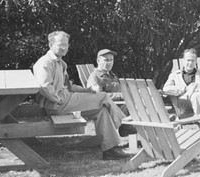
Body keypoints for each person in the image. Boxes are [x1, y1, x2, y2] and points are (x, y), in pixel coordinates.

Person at [33, 31, 130, 160]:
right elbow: (44, 86)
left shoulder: (60, 63)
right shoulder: (45, 62)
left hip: (66, 100)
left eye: (66, 45)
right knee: (103, 97)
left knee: (102, 111)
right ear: (51, 45)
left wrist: (88, 90)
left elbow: (69, 87)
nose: (64, 47)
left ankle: (109, 150)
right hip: (57, 104)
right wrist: (57, 99)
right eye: (60, 44)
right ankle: (124, 126)